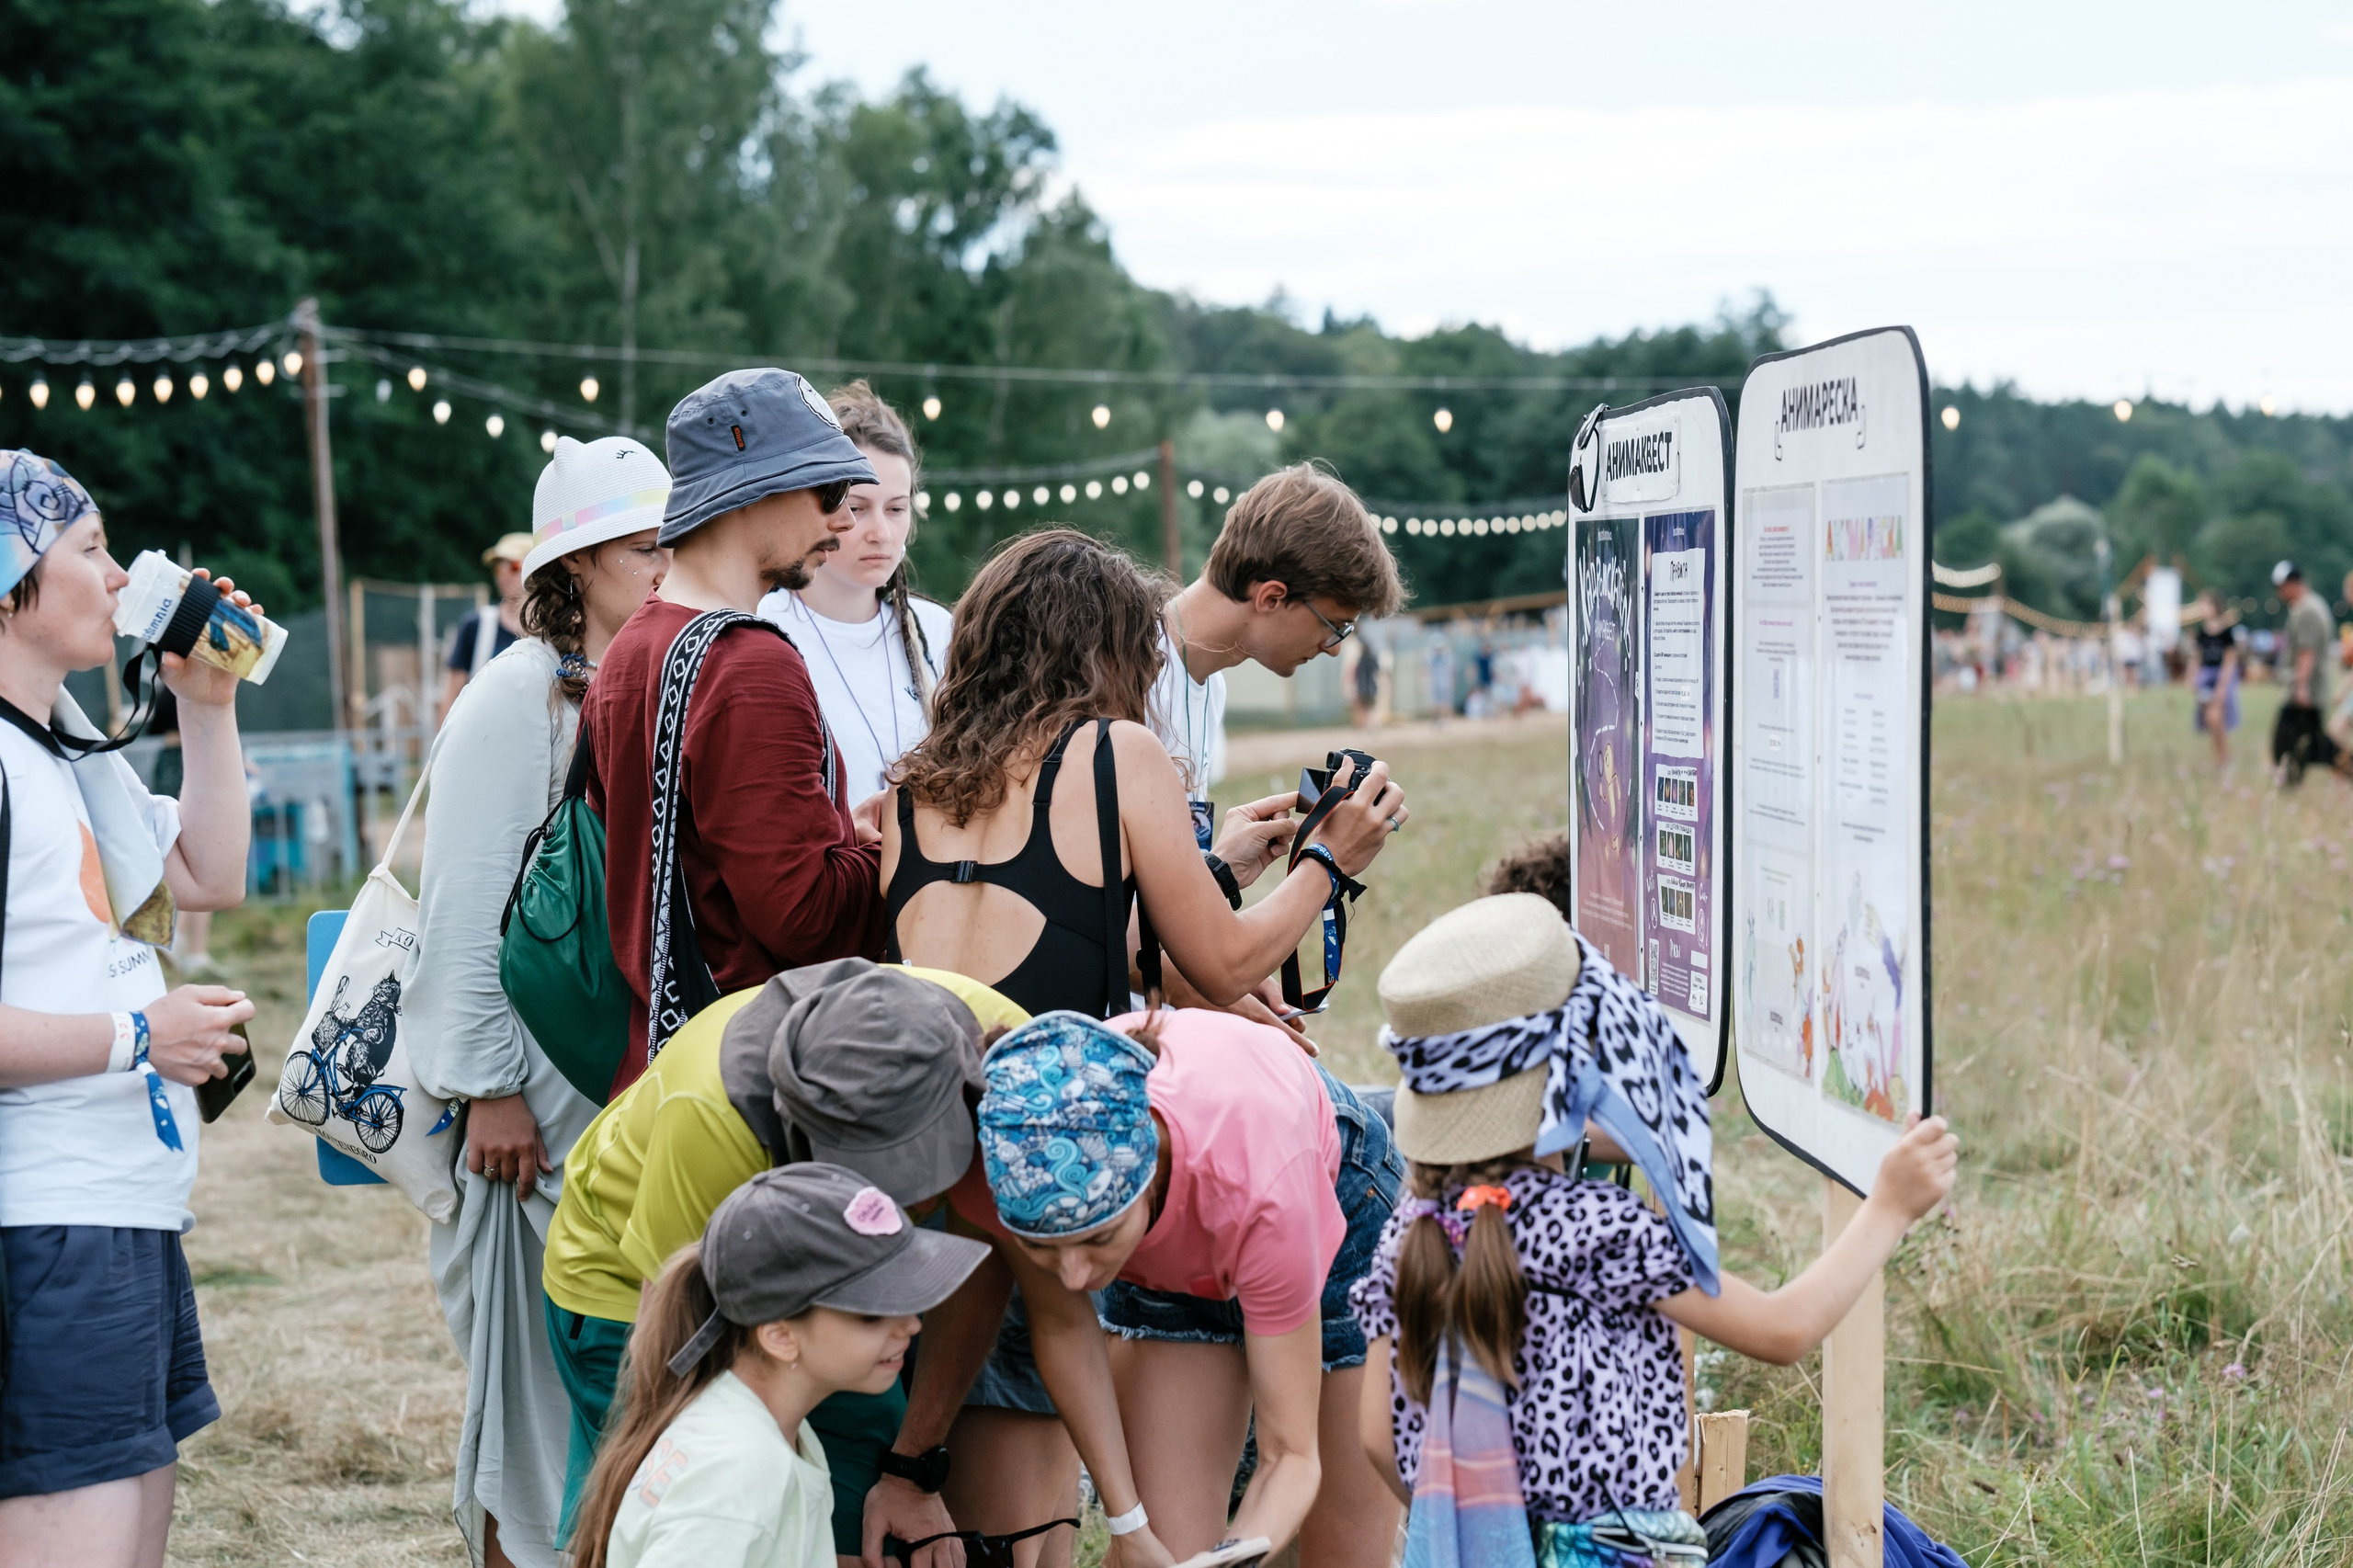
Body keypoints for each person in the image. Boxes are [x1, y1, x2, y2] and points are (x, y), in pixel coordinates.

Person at [876, 528, 1408, 1563]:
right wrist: (1327, 865)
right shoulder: (1114, 752)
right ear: (1109, 652)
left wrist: (1210, 863)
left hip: (975, 1178)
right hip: (1108, 1171)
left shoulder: (910, 793)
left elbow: (1054, 931)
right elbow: (1215, 963)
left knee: (1033, 1529)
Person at [1351, 895, 1959, 1565]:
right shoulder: (1596, 1229)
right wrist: (1891, 1207)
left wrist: (1486, 1534)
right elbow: (1784, 1330)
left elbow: (1378, 1438)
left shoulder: (1414, 1228)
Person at [406, 436, 674, 1568]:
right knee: (523, 1402)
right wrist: (487, 1089)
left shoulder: (651, 675)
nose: (666, 564)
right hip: (522, 1108)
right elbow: (465, 899)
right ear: (578, 563)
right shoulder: (519, 695)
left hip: (609, 1092)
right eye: (643, 546)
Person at [540, 960, 1026, 1561]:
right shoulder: (710, 1116)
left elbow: (986, 1274)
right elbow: (665, 1353)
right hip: (635, 1282)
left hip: (833, 1299)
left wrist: (911, 1467)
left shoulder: (995, 1045)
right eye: (892, 1183)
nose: (920, 1204)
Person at [0, 451, 257, 1565]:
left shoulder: (60, 745)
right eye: (91, 548)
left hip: (123, 1210)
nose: (120, 577)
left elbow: (209, 867)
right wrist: (142, 1035)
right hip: (43, 1221)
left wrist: (207, 706)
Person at [944, 1006, 1405, 1568]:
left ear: (1151, 1176)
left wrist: (1233, 1558)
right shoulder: (1012, 1169)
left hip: (1331, 1196)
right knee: (1165, 1547)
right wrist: (1128, 1525)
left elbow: (1292, 1456)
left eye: (1099, 1239)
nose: (1074, 1277)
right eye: (1043, 1248)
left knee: (1343, 1554)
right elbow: (1063, 1325)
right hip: (1182, 1234)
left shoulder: (1263, 1194)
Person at [580, 367, 892, 1093]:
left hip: (665, 1063)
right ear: (757, 488)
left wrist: (835, 832)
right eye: (830, 494)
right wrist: (907, 845)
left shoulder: (633, 646)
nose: (843, 522)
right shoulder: (748, 665)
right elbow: (804, 918)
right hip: (758, 1078)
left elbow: (696, 858)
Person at [569, 1164, 991, 1568]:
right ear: (780, 1335)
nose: (911, 1325)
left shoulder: (768, 1430)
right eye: (871, 1314)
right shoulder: (738, 1466)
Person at [1154, 462, 1404, 858]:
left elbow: (1159, 895)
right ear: (1271, 598)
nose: (1335, 647)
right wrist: (1328, 859)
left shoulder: (1208, 682)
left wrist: (1218, 867)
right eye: (1334, 624)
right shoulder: (1121, 679)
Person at [758, 382, 953, 799]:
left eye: (897, 509)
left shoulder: (939, 632)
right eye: (858, 508)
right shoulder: (763, 629)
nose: (881, 533)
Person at [144, 686, 218, 977]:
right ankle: (179, 941)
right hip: (186, 760)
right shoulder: (186, 691)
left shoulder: (164, 692)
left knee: (186, 866)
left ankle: (186, 945)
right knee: (200, 867)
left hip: (170, 762)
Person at [441, 532, 532, 724]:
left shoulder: (555, 630)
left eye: (514, 567)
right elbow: (450, 697)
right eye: (499, 568)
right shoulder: (477, 626)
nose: (503, 575)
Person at [2191, 590, 2244, 768]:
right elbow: (2197, 657)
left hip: (2220, 676)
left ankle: (2225, 759)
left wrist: (2222, 686)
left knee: (2216, 720)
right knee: (2211, 722)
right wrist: (2193, 676)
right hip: (2205, 678)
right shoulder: (2202, 632)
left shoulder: (2226, 631)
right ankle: (2221, 760)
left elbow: (2230, 660)